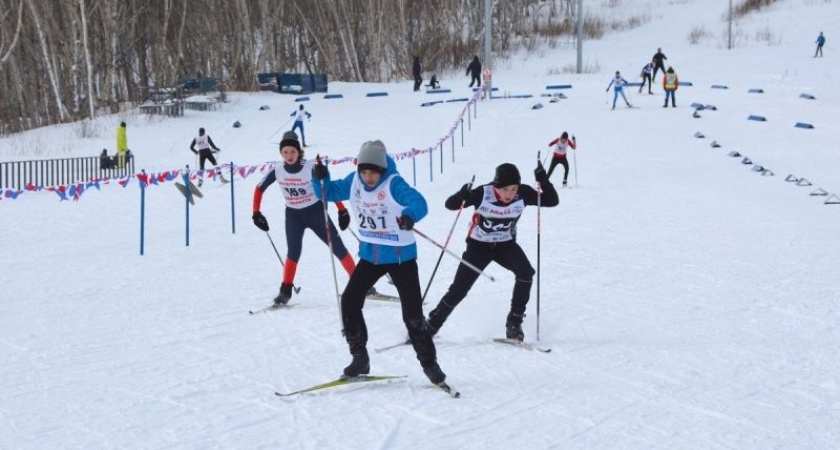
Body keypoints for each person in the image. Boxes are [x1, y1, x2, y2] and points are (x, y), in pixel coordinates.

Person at [311, 140, 447, 386]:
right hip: (371, 256)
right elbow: (327, 192)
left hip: (400, 257)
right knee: (349, 300)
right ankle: (359, 358)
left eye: (373, 172)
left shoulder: (393, 183)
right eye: (364, 171)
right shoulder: (354, 181)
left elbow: (419, 202)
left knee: (412, 315)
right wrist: (319, 177)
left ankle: (429, 364)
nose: (368, 177)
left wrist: (409, 215)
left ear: (382, 170)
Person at [426, 162, 559, 342]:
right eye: (505, 189)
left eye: (513, 189)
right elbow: (450, 205)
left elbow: (552, 201)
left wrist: (544, 180)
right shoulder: (483, 193)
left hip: (505, 245)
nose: (509, 194)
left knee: (526, 272)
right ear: (496, 186)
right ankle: (431, 325)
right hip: (478, 246)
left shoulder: (523, 193)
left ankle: (514, 323)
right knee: (459, 289)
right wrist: (461, 195)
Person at [251, 131, 361, 305]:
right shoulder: (277, 170)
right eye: (285, 152)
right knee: (293, 252)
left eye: (293, 151)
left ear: (299, 152)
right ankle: (285, 291)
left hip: (315, 212)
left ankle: (359, 284)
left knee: (337, 247)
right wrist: (256, 212)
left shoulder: (309, 168)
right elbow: (259, 188)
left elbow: (326, 188)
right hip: (293, 215)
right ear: (281, 153)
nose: (289, 155)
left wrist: (342, 210)